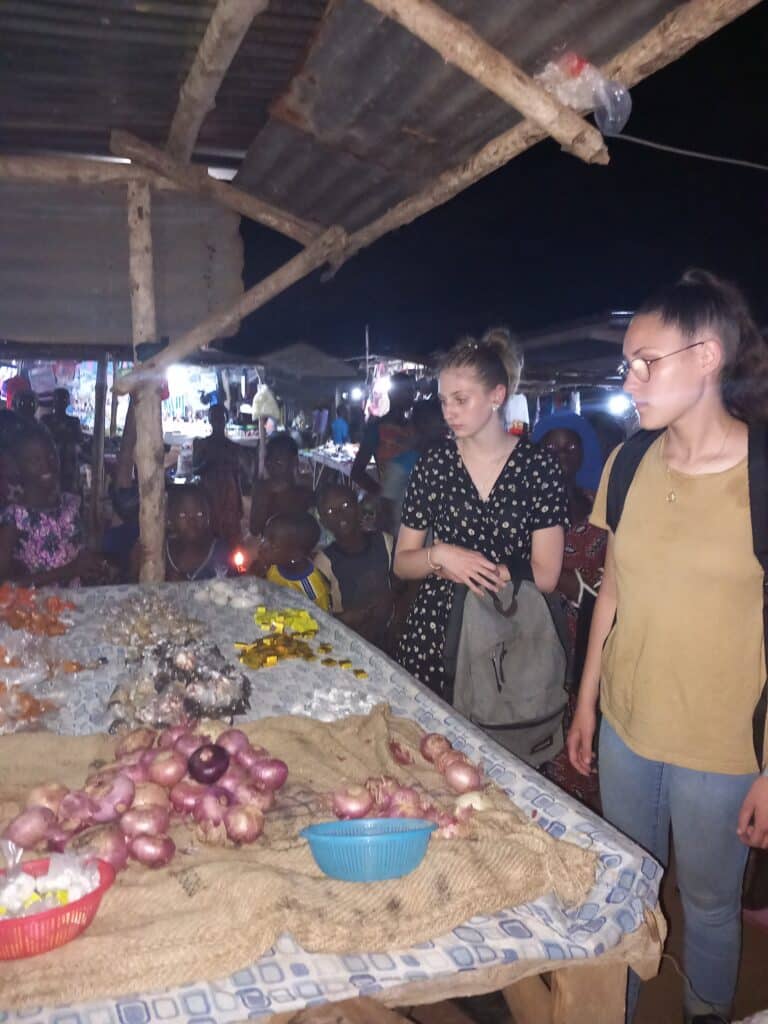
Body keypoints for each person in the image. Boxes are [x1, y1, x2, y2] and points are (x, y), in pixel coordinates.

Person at [566, 270, 768, 1024]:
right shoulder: (627, 466)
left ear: (707, 357)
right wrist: (586, 705)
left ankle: (707, 1013)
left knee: (711, 905)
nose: (630, 378)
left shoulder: (763, 475)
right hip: (626, 725)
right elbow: (612, 592)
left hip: (724, 749)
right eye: (628, 362)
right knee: (623, 884)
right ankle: (609, 1011)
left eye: (647, 361)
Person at [393, 330, 569, 697]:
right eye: (443, 401)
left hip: (511, 628)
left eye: (460, 399)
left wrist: (478, 569)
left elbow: (547, 573)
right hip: (436, 630)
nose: (449, 412)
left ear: (497, 396)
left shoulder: (539, 467)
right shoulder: (434, 463)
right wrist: (440, 556)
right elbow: (402, 562)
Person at [532, 421, 607, 809]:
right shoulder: (523, 507)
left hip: (586, 638)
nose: (561, 455)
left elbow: (608, 581)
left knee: (583, 723)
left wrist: (553, 577)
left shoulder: (600, 507)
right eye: (551, 447)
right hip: (535, 635)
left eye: (570, 447)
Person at [0, 423, 105, 586]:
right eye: (35, 460)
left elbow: (79, 551)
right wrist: (68, 571)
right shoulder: (15, 518)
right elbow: (5, 585)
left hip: (78, 601)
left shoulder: (70, 504)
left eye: (51, 455)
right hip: (40, 608)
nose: (48, 465)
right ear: (18, 468)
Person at [314, 481, 393, 647]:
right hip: (348, 643)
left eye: (345, 505)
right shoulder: (324, 562)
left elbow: (406, 584)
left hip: (389, 636)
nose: (340, 514)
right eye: (330, 511)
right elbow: (316, 615)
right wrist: (345, 618)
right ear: (323, 522)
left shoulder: (385, 542)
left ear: (358, 509)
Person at [379, 398, 446, 535]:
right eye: (435, 423)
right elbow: (386, 507)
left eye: (442, 422)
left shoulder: (449, 458)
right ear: (419, 427)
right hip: (408, 538)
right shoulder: (402, 463)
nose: (442, 427)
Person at [142, 484, 232, 583]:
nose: (192, 522)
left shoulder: (220, 551)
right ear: (170, 519)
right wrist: (136, 567)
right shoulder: (161, 551)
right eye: (183, 515)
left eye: (199, 514)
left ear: (208, 516)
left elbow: (234, 589)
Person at [351, 373, 416, 496]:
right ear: (392, 394)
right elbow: (357, 472)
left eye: (412, 391)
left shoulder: (414, 427)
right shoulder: (377, 429)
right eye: (407, 391)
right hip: (394, 505)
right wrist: (382, 494)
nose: (412, 396)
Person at [193, 404, 244, 545]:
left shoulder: (233, 446)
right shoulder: (201, 444)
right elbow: (194, 469)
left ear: (226, 420)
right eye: (215, 418)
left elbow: (237, 475)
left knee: (230, 534)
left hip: (229, 494)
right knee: (209, 528)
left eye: (221, 418)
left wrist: (239, 503)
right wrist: (209, 463)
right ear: (210, 420)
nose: (218, 422)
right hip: (208, 493)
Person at [260, 512, 330, 610]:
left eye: (273, 545)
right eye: (264, 537)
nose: (262, 545)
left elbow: (323, 621)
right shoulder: (275, 565)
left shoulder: (313, 591)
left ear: (295, 555)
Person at [249, 433, 313, 538]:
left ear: (294, 462)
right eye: (268, 460)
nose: (271, 465)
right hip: (272, 549)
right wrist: (264, 494)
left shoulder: (303, 489)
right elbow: (254, 529)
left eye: (278, 461)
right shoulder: (262, 488)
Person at [41, 388, 82, 494]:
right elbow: (80, 441)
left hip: (54, 465)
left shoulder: (46, 420)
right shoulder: (73, 422)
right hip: (64, 466)